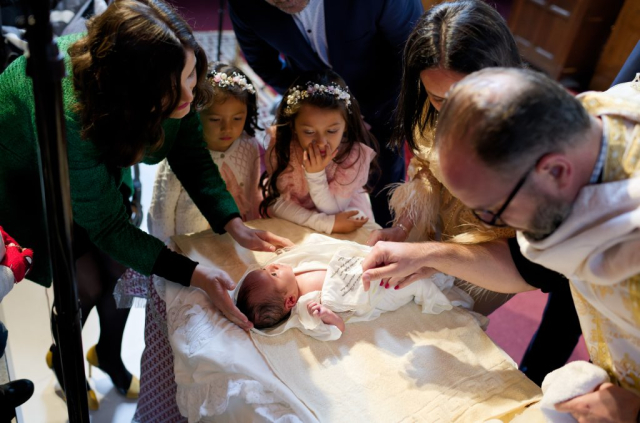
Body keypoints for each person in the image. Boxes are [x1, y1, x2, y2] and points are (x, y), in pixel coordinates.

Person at [0, 0, 291, 410]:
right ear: (134, 98)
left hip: (87, 162)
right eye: (179, 88)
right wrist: (196, 275)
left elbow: (189, 151)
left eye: (194, 76)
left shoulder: (170, 71)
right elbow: (107, 226)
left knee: (118, 273)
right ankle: (65, 364)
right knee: (83, 284)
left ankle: (108, 356)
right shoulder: (73, 113)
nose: (192, 93)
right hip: (32, 176)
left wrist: (231, 221)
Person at [364, 0, 582, 385]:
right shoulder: (424, 104)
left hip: (497, 251)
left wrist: (435, 255)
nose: (452, 117)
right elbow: (425, 172)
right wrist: (403, 229)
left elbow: (531, 262)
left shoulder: (539, 145)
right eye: (438, 100)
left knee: (443, 326)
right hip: (439, 221)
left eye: (468, 97)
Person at [432, 68, 640, 422]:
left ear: (555, 171)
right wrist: (429, 256)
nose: (489, 224)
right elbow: (533, 264)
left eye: (492, 211)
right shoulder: (588, 134)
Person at [117, 62, 266, 421]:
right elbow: (160, 215)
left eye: (237, 117)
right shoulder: (178, 157)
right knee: (172, 343)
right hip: (181, 261)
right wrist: (171, 260)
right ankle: (165, 408)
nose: (228, 129)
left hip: (226, 256)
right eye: (215, 120)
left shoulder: (248, 148)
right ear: (194, 115)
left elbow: (248, 202)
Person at [228, 0, 423, 227]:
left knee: (386, 182)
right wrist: (309, 102)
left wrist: (377, 109)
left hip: (381, 99)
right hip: (311, 104)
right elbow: (263, 62)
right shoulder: (245, 5)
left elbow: (412, 49)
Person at [236, 235, 472, 340]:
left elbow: (321, 253)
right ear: (289, 301)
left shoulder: (296, 272)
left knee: (398, 259)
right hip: (373, 295)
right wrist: (328, 316)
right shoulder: (306, 308)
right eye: (274, 274)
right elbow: (336, 330)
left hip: (356, 268)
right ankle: (436, 294)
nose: (275, 266)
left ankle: (435, 266)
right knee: (407, 285)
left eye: (268, 269)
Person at [261, 70, 377, 234]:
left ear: (345, 125)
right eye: (309, 132)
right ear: (293, 126)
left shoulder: (351, 155)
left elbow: (334, 211)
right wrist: (324, 223)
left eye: (332, 131)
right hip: (301, 217)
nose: (321, 142)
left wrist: (315, 175)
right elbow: (276, 204)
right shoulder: (282, 146)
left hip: (338, 211)